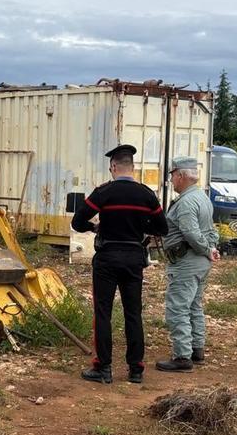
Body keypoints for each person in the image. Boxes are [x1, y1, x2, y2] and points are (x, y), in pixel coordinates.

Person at [71, 144, 169, 384]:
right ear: (132, 168)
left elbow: (77, 221)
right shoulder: (146, 194)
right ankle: (136, 369)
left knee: (103, 312)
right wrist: (140, 229)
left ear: (113, 167)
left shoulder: (104, 192)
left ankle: (103, 368)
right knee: (133, 313)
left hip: (107, 257)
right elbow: (162, 228)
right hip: (134, 258)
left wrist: (94, 227)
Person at [156, 156, 220, 372]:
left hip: (186, 261)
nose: (172, 180)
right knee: (194, 305)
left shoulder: (185, 202)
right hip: (200, 262)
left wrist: (205, 249)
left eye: (173, 175)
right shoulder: (202, 197)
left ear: (181, 176)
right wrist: (211, 248)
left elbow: (190, 232)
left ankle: (182, 356)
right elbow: (211, 230)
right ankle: (196, 349)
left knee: (178, 308)